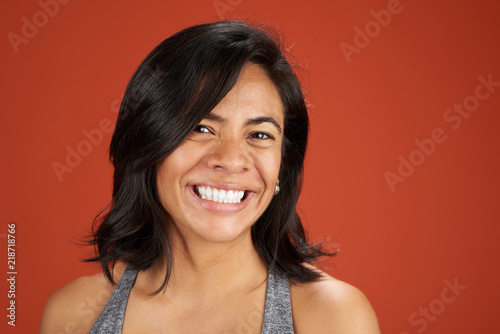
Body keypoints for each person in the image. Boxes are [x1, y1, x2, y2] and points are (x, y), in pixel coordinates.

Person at [40, 21, 380, 333]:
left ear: (283, 166)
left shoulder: (334, 317)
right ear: (149, 144)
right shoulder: (74, 314)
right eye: (200, 128)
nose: (230, 161)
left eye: (259, 135)